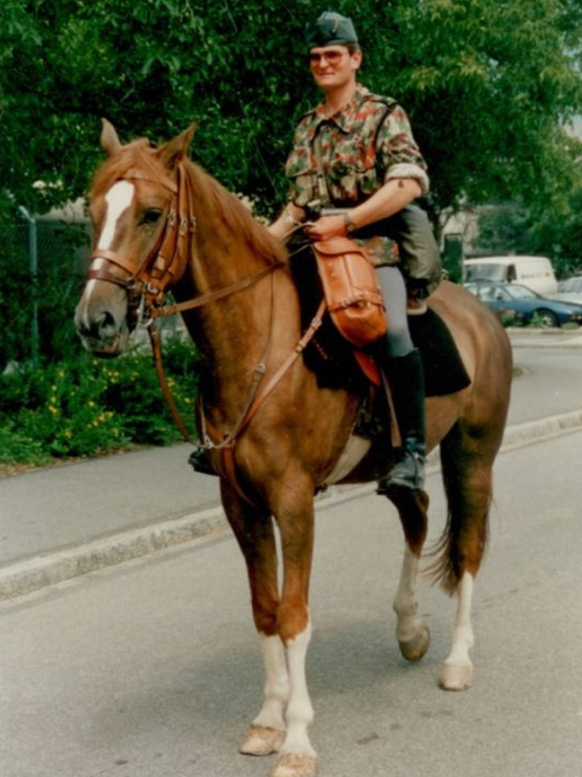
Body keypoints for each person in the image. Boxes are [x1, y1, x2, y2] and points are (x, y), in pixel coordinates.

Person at [269, 11, 442, 494]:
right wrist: (263, 244)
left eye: (333, 55)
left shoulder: (384, 114)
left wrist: (346, 220)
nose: (323, 63)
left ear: (355, 58)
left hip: (372, 248)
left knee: (390, 329)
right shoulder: (307, 126)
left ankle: (410, 451)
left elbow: (406, 184)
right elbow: (297, 206)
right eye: (316, 57)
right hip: (314, 244)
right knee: (263, 319)